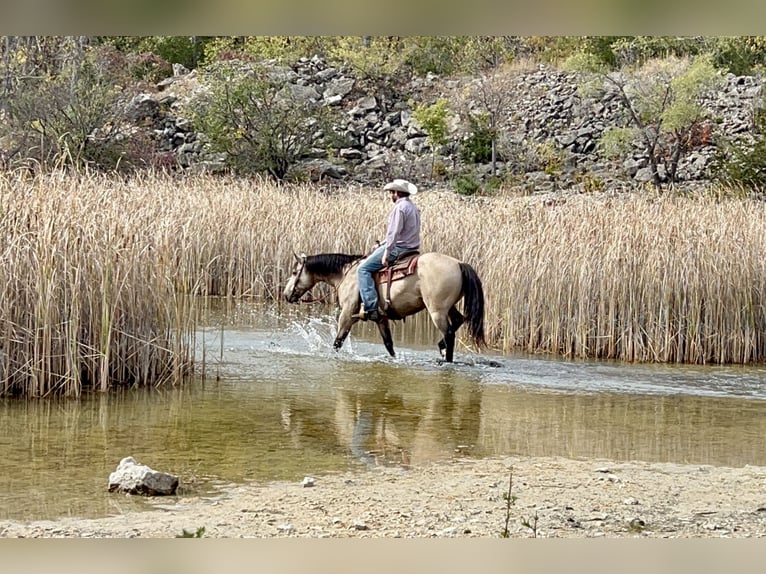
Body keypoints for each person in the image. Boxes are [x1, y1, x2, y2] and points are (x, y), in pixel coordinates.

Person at [356, 179, 421, 323]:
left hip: (398, 249)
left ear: (397, 193)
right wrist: (382, 244)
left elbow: (394, 233)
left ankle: (371, 308)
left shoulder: (400, 208)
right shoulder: (412, 207)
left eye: (391, 192)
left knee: (363, 269)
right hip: (411, 248)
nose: (391, 195)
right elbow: (401, 233)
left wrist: (386, 251)